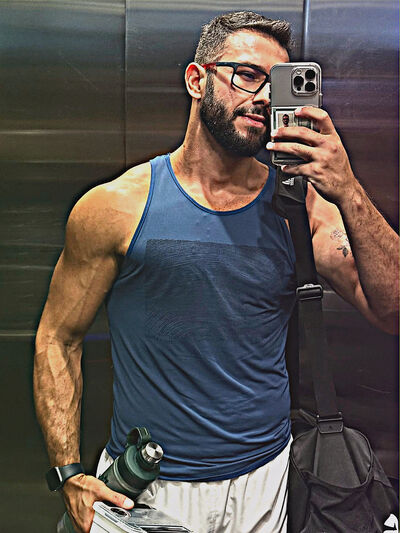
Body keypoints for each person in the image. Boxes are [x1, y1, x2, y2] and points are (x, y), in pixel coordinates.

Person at [33, 11, 399, 533]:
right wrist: (68, 472)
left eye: (276, 83)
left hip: (265, 486)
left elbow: (392, 310)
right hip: (145, 487)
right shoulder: (115, 208)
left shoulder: (301, 209)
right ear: (196, 80)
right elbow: (57, 337)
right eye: (247, 75)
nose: (265, 97)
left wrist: (348, 188)